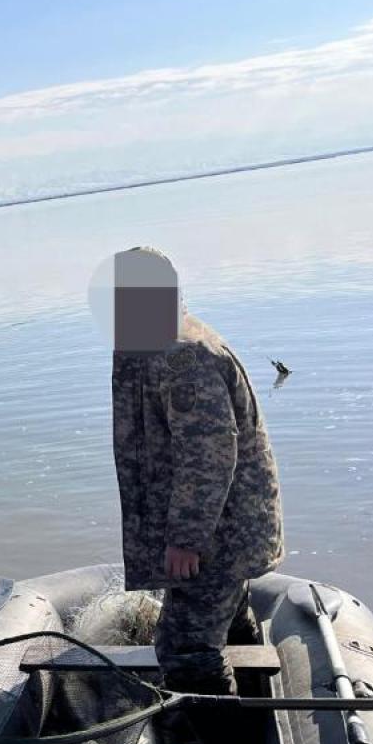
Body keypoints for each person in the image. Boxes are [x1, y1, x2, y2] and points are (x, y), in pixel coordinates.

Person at [107, 248, 284, 700]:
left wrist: (185, 537)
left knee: (186, 648)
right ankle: (256, 710)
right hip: (224, 528)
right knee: (230, 617)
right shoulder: (161, 342)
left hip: (217, 534)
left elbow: (208, 452)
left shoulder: (182, 356)